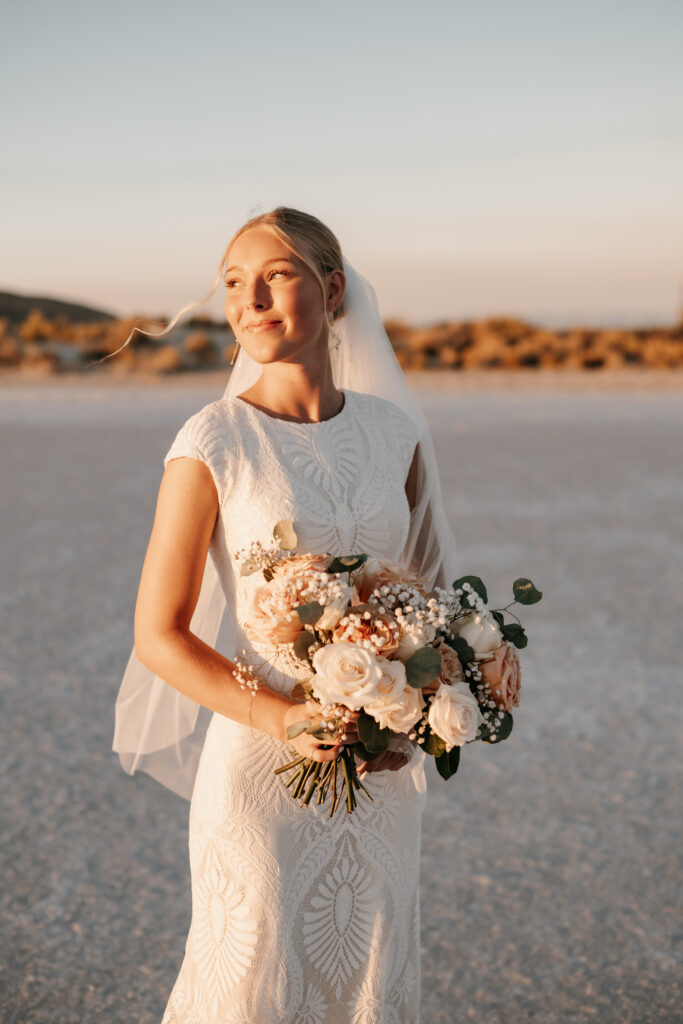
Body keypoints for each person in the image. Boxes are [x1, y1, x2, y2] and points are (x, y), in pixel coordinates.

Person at [113, 207, 459, 1023]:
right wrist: (280, 719)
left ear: (332, 290)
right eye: (234, 282)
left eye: (276, 275)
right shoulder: (213, 441)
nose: (249, 299)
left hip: (380, 778)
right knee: (251, 983)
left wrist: (415, 717)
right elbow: (157, 634)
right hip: (260, 771)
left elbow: (432, 601)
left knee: (366, 981)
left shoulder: (393, 435)